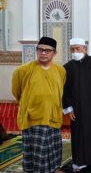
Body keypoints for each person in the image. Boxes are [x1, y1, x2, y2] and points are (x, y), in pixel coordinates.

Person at [12, 37, 66, 173]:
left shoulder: (61, 71)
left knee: (53, 147)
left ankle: (54, 169)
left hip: (53, 115)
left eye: (47, 50)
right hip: (33, 117)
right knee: (35, 150)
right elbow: (17, 92)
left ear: (54, 53)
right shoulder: (23, 70)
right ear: (37, 51)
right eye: (40, 49)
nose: (43, 53)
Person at [62, 38, 91, 172]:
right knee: (78, 133)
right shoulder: (67, 67)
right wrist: (68, 108)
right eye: (73, 49)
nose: (75, 51)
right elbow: (66, 89)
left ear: (84, 49)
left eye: (78, 48)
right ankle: (80, 161)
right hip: (77, 108)